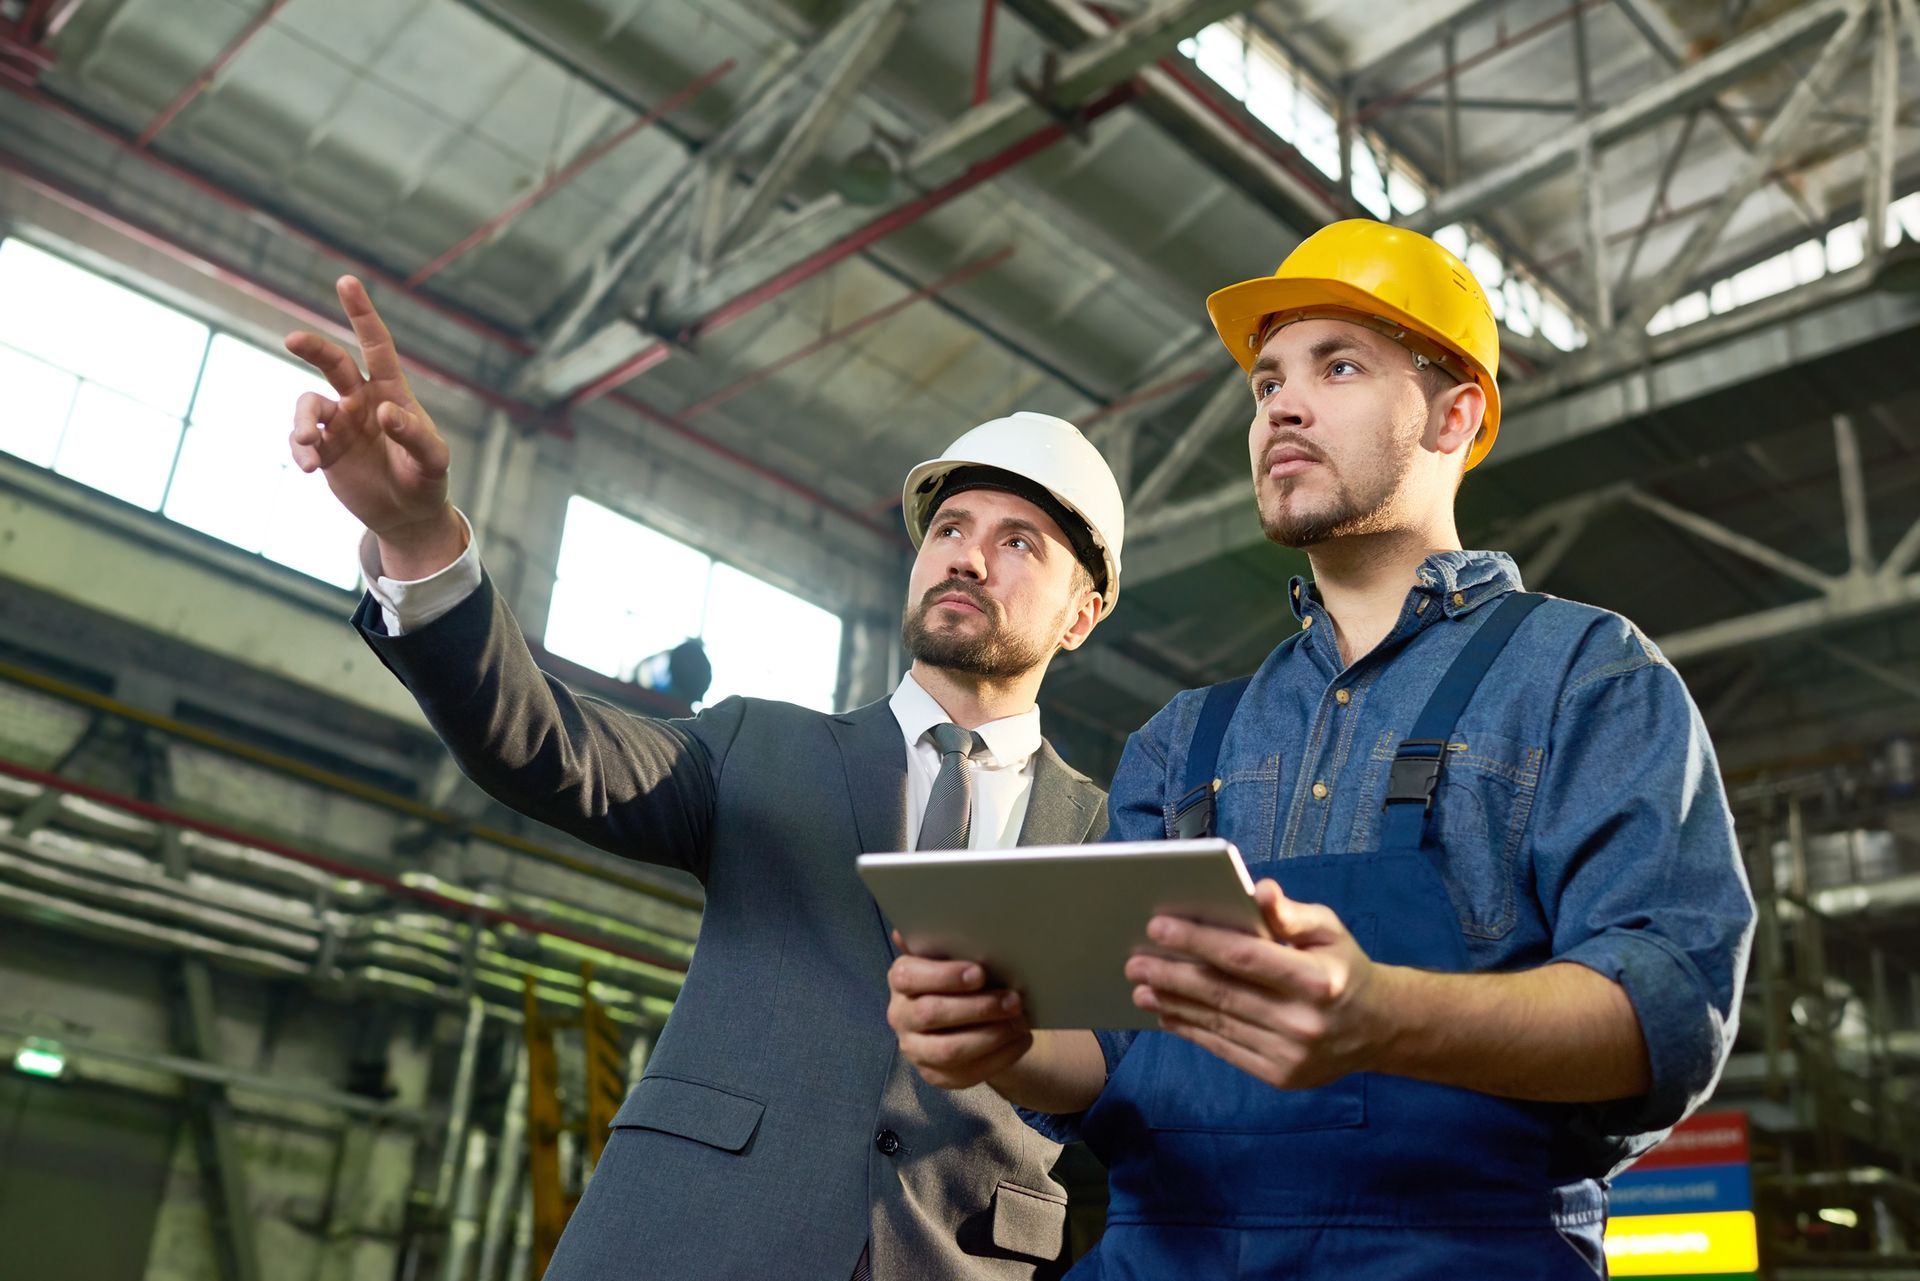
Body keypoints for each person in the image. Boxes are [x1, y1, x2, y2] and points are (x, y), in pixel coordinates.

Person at [886, 220, 1757, 1278]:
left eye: (1337, 365)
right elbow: (1111, 1057)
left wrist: (1386, 1015)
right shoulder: (1185, 742)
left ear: (1455, 413)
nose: (1281, 407)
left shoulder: (1584, 676)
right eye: (1265, 384)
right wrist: (1010, 1049)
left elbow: (1668, 1009)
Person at [282, 276, 1127, 1281]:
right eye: (951, 528)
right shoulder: (756, 750)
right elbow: (547, 746)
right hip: (690, 1243)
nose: (967, 559)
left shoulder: (1116, 834)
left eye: (1017, 542)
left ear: (1081, 614)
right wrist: (421, 539)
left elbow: (1134, 1083)